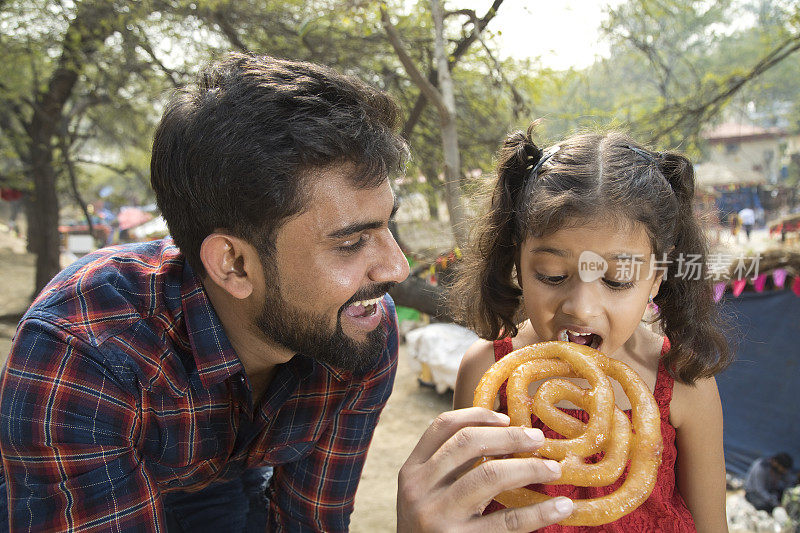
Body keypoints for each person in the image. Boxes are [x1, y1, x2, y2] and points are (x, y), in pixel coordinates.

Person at [0, 54, 572, 532]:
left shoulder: (360, 330)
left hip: (229, 479)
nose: (395, 267)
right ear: (234, 263)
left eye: (387, 226)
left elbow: (309, 522)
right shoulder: (83, 349)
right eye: (351, 243)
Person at [452, 127, 734, 531]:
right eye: (551, 275)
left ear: (657, 276)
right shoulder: (487, 372)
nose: (581, 307)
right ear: (517, 259)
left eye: (617, 280)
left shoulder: (685, 382)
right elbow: (457, 512)